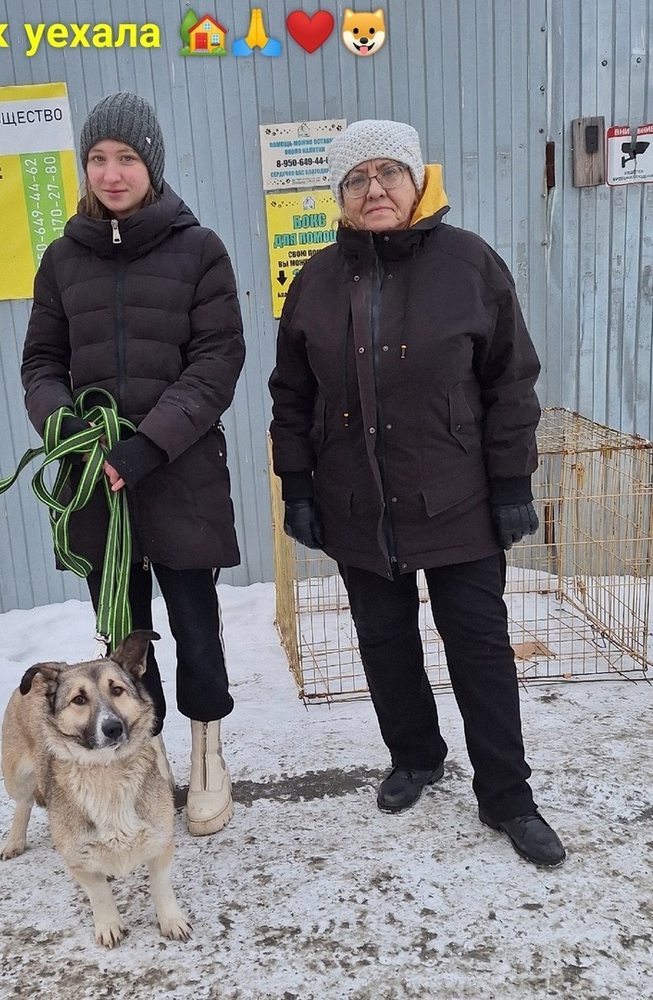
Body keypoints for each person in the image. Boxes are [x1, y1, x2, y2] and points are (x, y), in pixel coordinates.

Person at [268, 119, 565, 867]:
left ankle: (507, 796)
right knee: (383, 641)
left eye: (387, 174)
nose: (374, 190)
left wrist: (508, 483)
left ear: (415, 181)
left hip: (457, 498)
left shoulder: (469, 265)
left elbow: (511, 382)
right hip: (355, 501)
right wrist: (297, 484)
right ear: (339, 196)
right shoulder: (314, 281)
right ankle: (415, 757)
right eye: (357, 179)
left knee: (478, 648)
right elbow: (290, 394)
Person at [21, 92, 245, 836]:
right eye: (97, 159)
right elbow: (42, 362)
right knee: (120, 632)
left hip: (177, 475)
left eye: (126, 158)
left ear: (150, 165)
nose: (111, 173)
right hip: (97, 488)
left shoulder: (199, 250)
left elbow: (217, 361)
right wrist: (66, 430)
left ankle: (207, 750)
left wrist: (146, 444)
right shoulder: (61, 258)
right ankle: (142, 755)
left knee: (194, 624)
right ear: (84, 168)